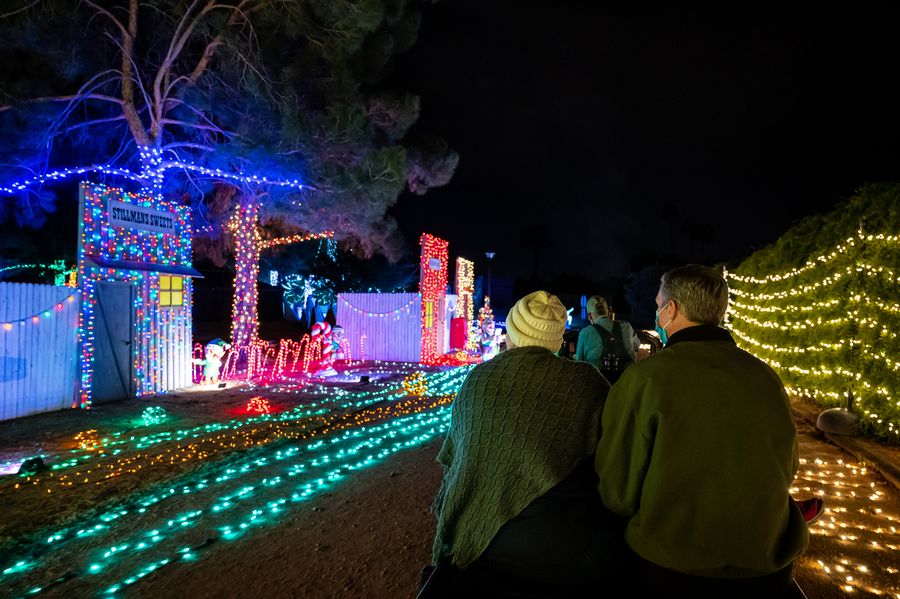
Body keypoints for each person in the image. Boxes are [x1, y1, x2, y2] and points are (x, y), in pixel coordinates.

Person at [593, 264, 809, 597]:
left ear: (672, 310)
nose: (656, 314)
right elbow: (788, 468)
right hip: (768, 566)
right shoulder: (766, 377)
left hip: (670, 569)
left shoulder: (644, 380)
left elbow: (616, 492)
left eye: (657, 306)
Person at [428, 290, 624, 593]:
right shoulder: (588, 381)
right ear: (557, 338)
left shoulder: (479, 378)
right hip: (568, 549)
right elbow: (611, 467)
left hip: (484, 543)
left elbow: (455, 462)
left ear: (513, 332)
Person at [574, 295, 640, 371]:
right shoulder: (626, 326)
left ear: (589, 315)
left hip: (598, 380)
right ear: (608, 312)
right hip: (627, 379)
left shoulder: (585, 333)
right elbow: (637, 345)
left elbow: (579, 363)